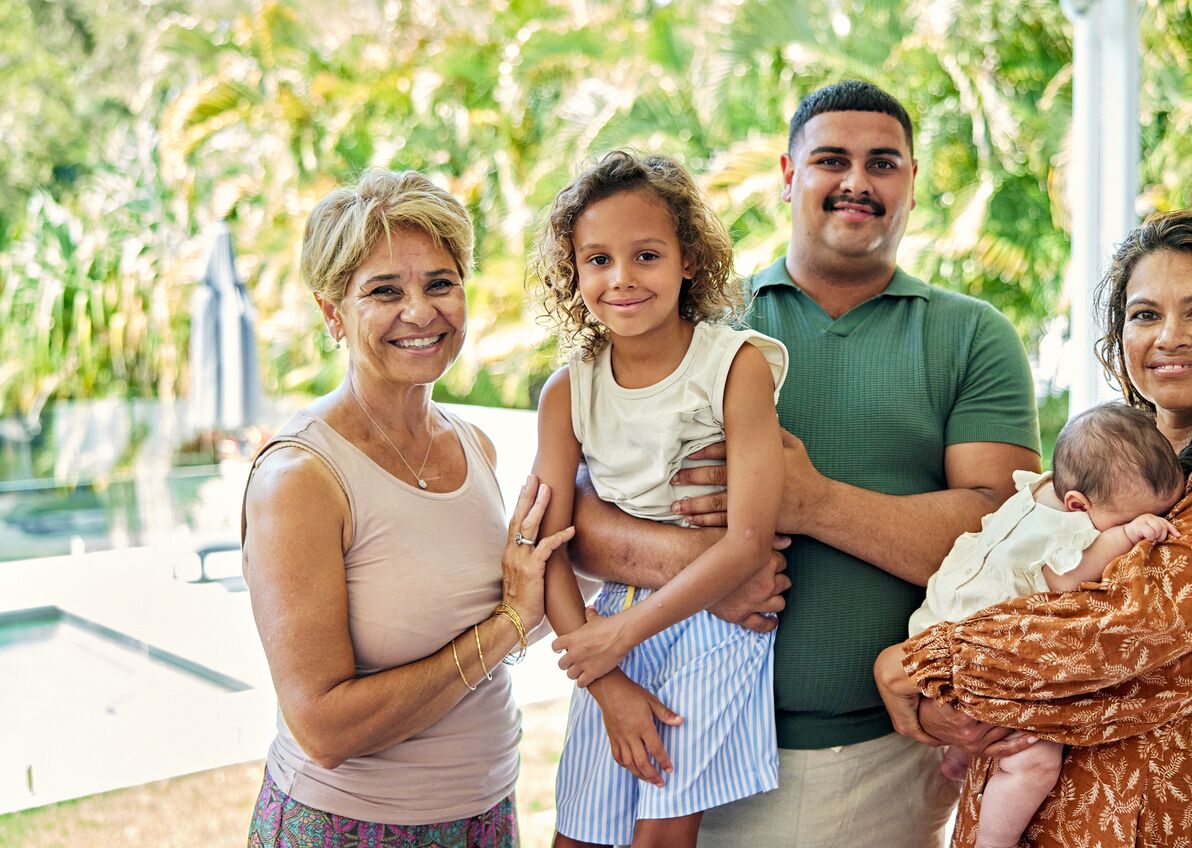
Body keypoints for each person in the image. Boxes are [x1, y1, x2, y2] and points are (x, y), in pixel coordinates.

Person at [567, 81, 1043, 846]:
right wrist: (713, 570)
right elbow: (579, 523)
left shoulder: (970, 336)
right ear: (789, 177)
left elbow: (1006, 543)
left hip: (876, 763)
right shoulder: (697, 318)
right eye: (831, 160)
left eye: (883, 163)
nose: (857, 181)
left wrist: (810, 501)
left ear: (913, 183)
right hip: (680, 724)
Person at [873, 208, 1192, 848]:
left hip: (1145, 820)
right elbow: (1021, 585)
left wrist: (922, 663)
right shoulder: (1117, 456)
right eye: (1145, 315)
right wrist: (936, 692)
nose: (1168, 337)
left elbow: (1120, 631)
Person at [241, 169, 569, 848]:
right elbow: (326, 729)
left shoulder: (473, 445)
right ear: (333, 313)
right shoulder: (301, 477)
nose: (421, 312)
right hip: (347, 829)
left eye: (440, 283)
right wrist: (508, 625)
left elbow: (508, 608)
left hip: (486, 817)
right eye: (384, 291)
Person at [527, 150, 788, 848]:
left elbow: (747, 543)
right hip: (612, 617)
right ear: (573, 274)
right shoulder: (568, 390)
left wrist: (618, 639)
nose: (621, 279)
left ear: (689, 261)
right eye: (597, 260)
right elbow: (543, 544)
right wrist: (606, 675)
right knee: (576, 835)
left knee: (660, 835)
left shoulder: (735, 366)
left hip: (717, 620)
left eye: (646, 255)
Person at [905, 403, 1184, 848]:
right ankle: (994, 842)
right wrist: (1128, 536)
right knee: (1034, 761)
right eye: (1128, 518)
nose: (1149, 523)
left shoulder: (1034, 493)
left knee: (973, 722)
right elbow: (1066, 578)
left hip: (937, 624)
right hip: (972, 652)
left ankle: (959, 756)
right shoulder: (1065, 529)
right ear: (1078, 505)